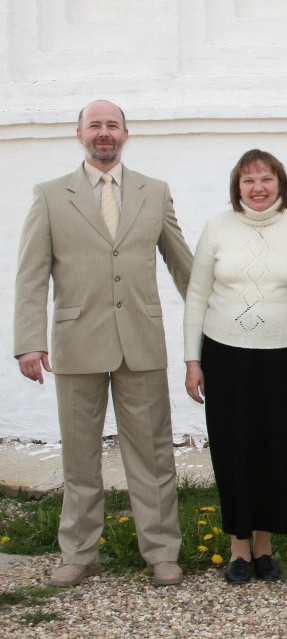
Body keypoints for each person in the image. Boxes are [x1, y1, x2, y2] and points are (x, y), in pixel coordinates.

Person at [13, 100, 193, 587]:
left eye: (112, 125)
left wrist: (211, 327)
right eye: (95, 125)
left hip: (141, 341)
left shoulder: (154, 193)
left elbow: (183, 266)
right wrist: (29, 341)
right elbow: (31, 275)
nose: (104, 133)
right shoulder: (50, 195)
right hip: (75, 342)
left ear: (126, 134)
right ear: (80, 135)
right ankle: (79, 552)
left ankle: (161, 552)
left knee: (153, 453)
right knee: (79, 455)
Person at [183, 149, 287, 585]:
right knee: (233, 451)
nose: (258, 188)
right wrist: (193, 360)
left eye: (266, 179)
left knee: (274, 450)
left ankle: (264, 547)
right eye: (249, 181)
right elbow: (196, 296)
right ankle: (237, 549)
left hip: (281, 356)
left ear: (280, 183)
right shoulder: (217, 227)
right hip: (225, 355)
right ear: (237, 186)